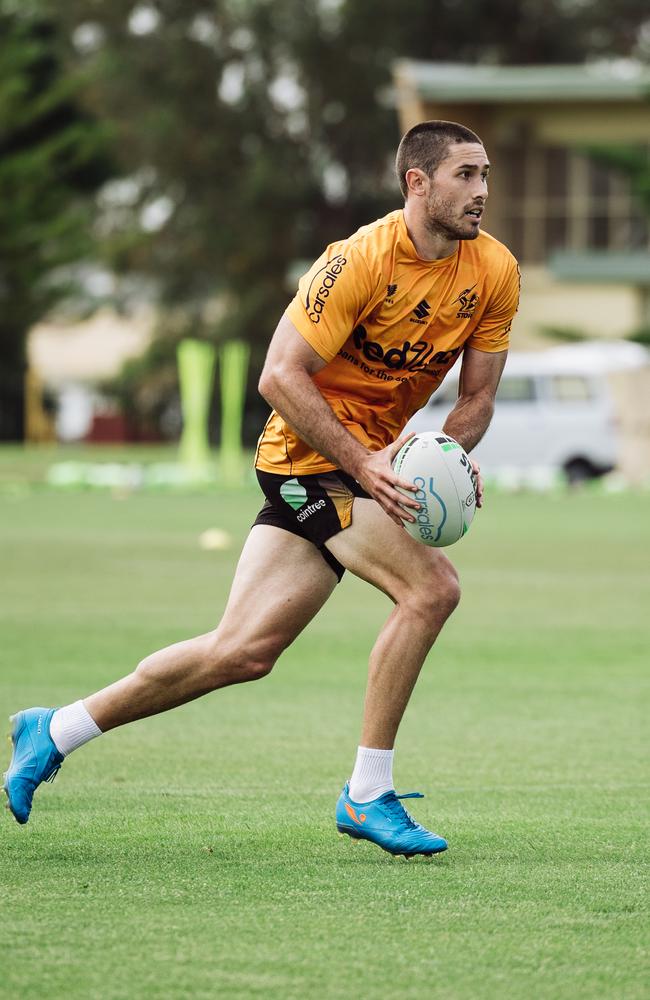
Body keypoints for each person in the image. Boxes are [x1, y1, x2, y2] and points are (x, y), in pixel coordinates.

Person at [4, 120, 520, 858]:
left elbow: (477, 399)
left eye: (485, 174)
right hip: (307, 457)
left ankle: (55, 729)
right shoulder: (358, 262)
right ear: (418, 183)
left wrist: (445, 452)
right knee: (432, 590)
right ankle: (367, 793)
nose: (482, 191)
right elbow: (279, 376)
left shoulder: (495, 270)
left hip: (366, 466)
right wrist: (366, 465)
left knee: (242, 651)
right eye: (465, 175)